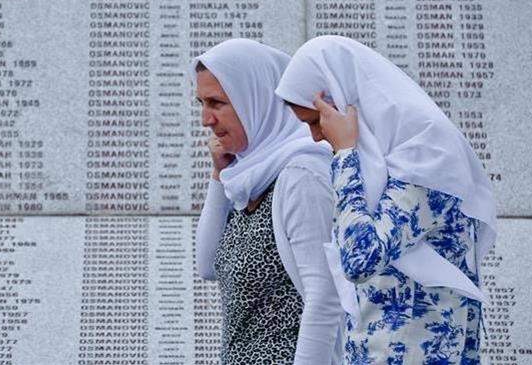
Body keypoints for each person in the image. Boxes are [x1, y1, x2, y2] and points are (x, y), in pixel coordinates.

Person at [276, 35, 497, 364]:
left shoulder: (426, 154)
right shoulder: (384, 158)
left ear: (342, 99)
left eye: (314, 121)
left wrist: (345, 153)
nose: (316, 136)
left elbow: (360, 259)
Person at [193, 38, 344, 365]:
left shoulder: (301, 175)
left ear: (255, 99)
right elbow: (207, 266)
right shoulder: (249, 179)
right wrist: (219, 177)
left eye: (217, 103)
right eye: (201, 103)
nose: (206, 119)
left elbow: (325, 297)